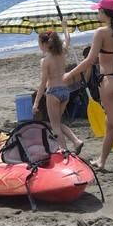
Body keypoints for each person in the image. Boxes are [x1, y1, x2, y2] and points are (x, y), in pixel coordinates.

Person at [64, 0, 113, 176]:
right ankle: (102, 160)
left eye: (99, 10)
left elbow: (90, 61)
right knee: (110, 123)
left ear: (105, 13)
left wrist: (70, 74)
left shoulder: (101, 33)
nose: (97, 13)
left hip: (110, 81)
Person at [32, 18, 83, 154]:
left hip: (53, 92)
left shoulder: (45, 61)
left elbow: (43, 83)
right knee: (57, 123)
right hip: (65, 91)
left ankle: (64, 151)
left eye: (39, 44)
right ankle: (76, 141)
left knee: (54, 125)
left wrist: (36, 103)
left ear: (44, 44)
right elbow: (67, 39)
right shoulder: (62, 53)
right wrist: (64, 26)